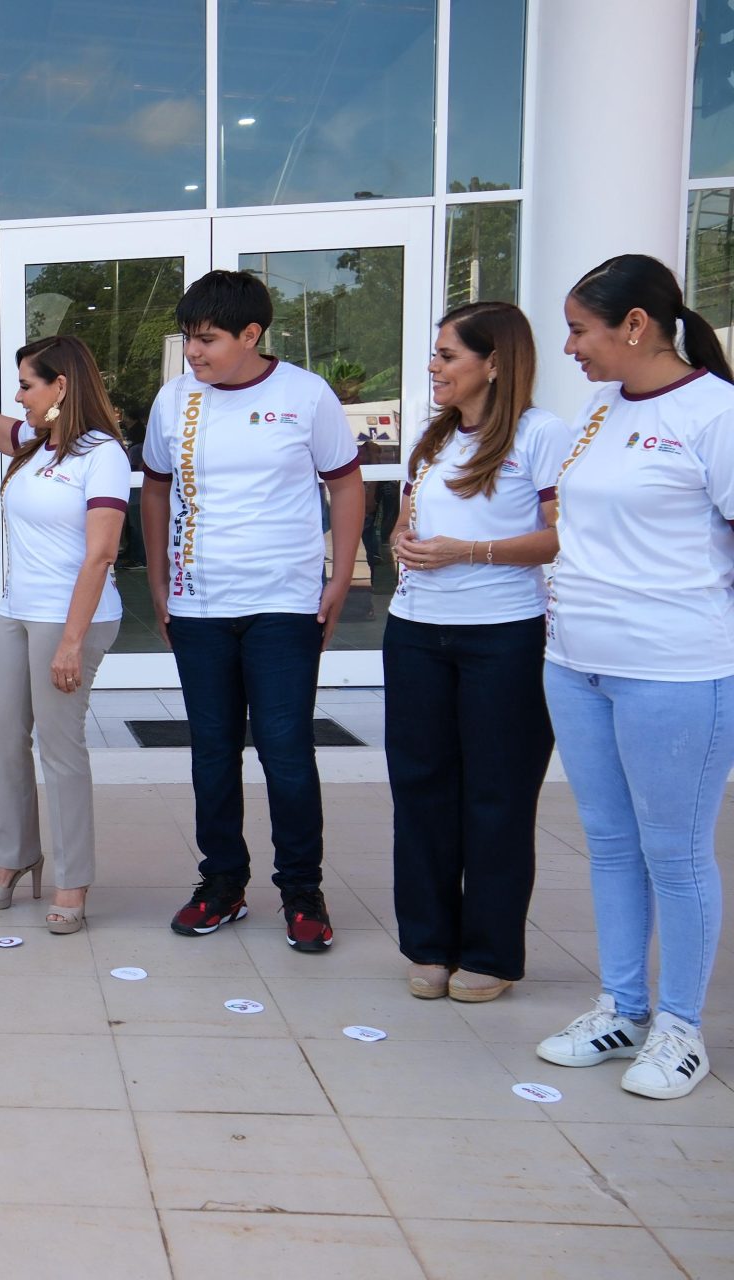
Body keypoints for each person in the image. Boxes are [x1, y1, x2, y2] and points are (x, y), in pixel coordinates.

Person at [533, 254, 734, 1100]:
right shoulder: (600, 405)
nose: (571, 346)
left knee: (675, 851)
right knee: (611, 843)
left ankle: (681, 1026)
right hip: (576, 662)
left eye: (581, 329)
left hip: (675, 668)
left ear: (637, 326)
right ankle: (623, 1007)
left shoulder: (716, 413)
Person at [140, 270, 363, 951]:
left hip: (284, 604)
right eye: (186, 339)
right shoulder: (175, 399)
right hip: (200, 604)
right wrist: (157, 580)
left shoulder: (305, 395)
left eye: (206, 339)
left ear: (251, 335)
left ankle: (302, 890)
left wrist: (342, 575)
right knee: (211, 753)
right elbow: (154, 488)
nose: (193, 353)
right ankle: (223, 885)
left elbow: (346, 482)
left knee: (286, 752)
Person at [386, 302, 570, 1003]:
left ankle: (489, 955)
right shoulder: (433, 438)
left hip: (505, 639)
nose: (434, 367)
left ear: (495, 363)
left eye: (448, 355)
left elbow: (565, 535)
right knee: (422, 792)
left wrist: (471, 552)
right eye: (434, 354)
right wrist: (403, 540)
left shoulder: (540, 434)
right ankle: (430, 946)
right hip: (415, 635)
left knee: (496, 798)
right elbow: (407, 516)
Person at [0, 316, 127, 934]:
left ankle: (73, 880)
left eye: (27, 385)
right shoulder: (35, 446)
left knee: (60, 752)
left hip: (73, 622)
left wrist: (69, 641)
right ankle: (17, 857)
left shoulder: (103, 455)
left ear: (60, 386)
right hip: (16, 614)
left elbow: (101, 553)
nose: (18, 396)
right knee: (6, 741)